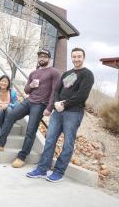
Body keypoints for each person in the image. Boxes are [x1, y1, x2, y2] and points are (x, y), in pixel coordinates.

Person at [26, 47, 94, 182]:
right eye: (74, 56)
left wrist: (64, 104)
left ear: (83, 58)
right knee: (50, 140)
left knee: (68, 144)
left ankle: (58, 172)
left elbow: (82, 95)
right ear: (71, 58)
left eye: (79, 56)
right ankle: (42, 169)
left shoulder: (87, 74)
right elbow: (57, 90)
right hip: (58, 112)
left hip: (73, 113)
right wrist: (57, 103)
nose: (76, 59)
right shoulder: (67, 73)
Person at [0, 49, 60, 169]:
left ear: (49, 59)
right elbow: (26, 90)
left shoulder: (54, 72)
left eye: (45, 56)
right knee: (10, 115)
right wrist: (30, 85)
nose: (42, 58)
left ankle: (22, 157)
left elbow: (55, 92)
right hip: (28, 101)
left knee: (30, 131)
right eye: (40, 56)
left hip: (40, 104)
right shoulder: (33, 73)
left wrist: (49, 108)